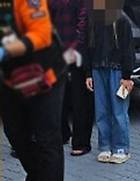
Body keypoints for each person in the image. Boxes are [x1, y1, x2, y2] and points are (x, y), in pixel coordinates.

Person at [0, 0, 67, 181]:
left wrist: (5, 50)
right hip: (11, 78)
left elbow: (41, 35)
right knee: (16, 134)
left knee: (47, 137)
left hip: (43, 75)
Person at [84, 0, 135, 164]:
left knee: (118, 111)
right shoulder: (92, 20)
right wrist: (88, 73)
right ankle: (105, 146)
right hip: (98, 69)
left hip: (117, 70)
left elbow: (128, 50)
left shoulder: (122, 21)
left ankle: (121, 148)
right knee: (102, 111)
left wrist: (127, 76)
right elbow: (87, 48)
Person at [49, 0, 95, 156]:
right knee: (59, 97)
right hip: (59, 52)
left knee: (80, 99)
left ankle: (81, 141)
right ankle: (63, 133)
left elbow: (84, 24)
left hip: (79, 53)